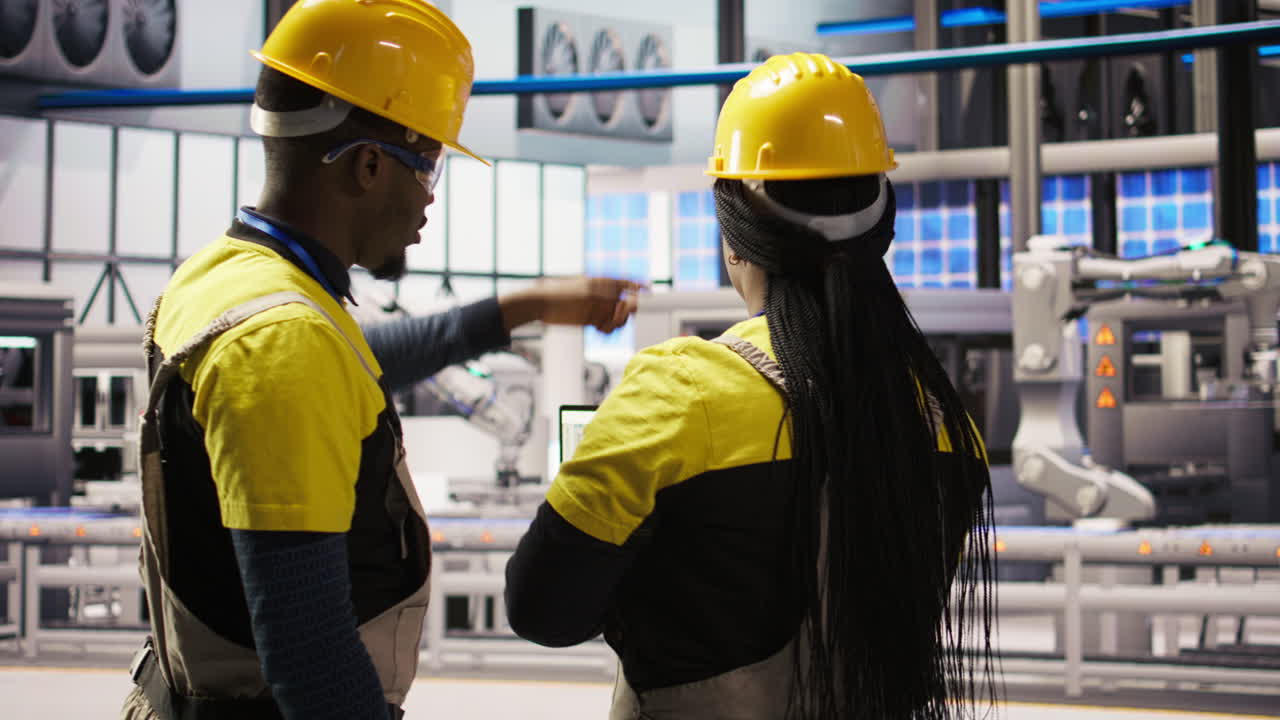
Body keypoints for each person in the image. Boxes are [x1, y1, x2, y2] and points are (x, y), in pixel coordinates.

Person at [120, 2, 638, 719]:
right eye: (428, 168)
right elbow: (311, 655)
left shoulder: (228, 277)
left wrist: (529, 305)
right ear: (368, 165)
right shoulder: (283, 341)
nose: (428, 201)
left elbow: (358, 359)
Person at [505, 52, 997, 719]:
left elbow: (543, 610)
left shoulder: (676, 394)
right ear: (880, 228)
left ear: (734, 234)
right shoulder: (944, 420)